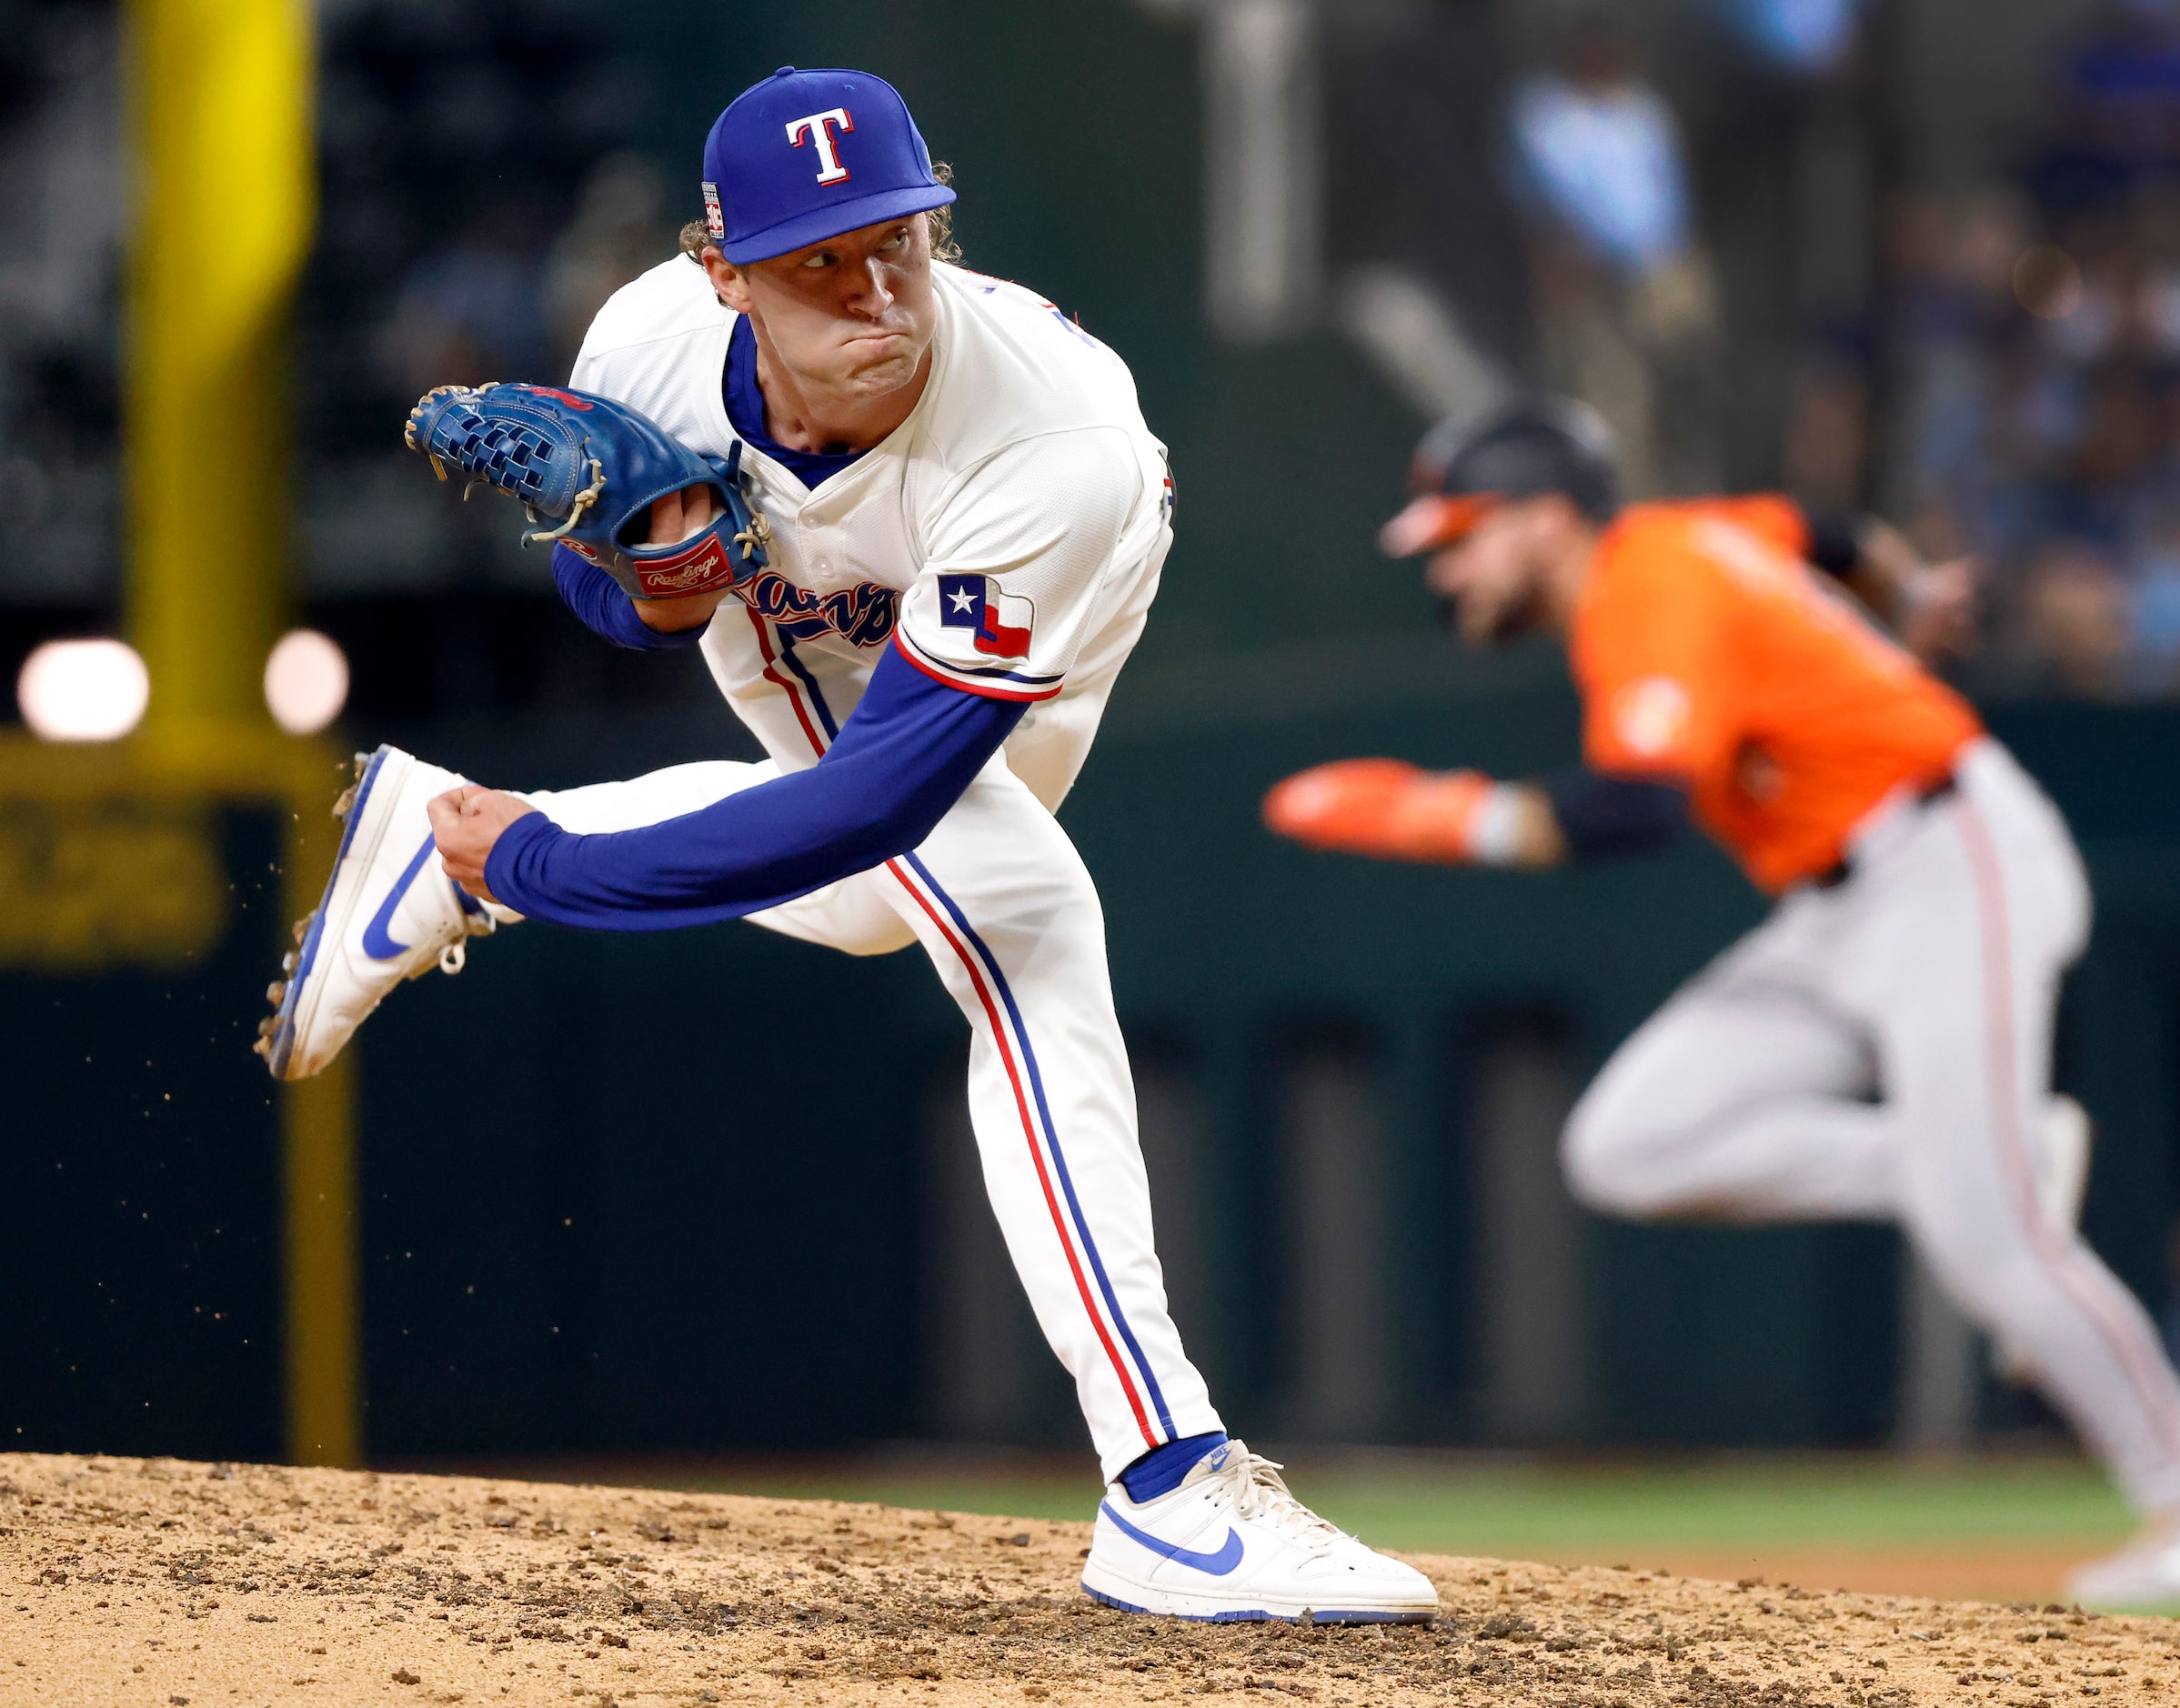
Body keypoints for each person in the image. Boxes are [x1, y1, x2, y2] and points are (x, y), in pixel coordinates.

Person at [259, 65, 1436, 1627]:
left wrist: (532, 867)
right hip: (808, 632)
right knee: (1023, 919)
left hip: (1041, 607)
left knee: (898, 895)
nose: (876, 290)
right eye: (820, 259)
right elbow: (618, 593)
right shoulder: (648, 344)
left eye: (899, 238)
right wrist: (652, 587)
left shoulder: (1051, 438)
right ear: (721, 270)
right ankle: (1167, 1481)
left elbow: (874, 804)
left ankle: (455, 840)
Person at [1261, 399, 2180, 1611]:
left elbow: (1637, 808)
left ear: (1546, 517)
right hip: (1836, 901)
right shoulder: (1686, 534)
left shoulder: (1645, 584)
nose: (1447, 569)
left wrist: (1431, 816)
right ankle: (1972, 1156)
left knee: (1990, 1237)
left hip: (1947, 857)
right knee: (1628, 1143)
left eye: (1463, 536)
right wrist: (1903, 592)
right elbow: (1823, 531)